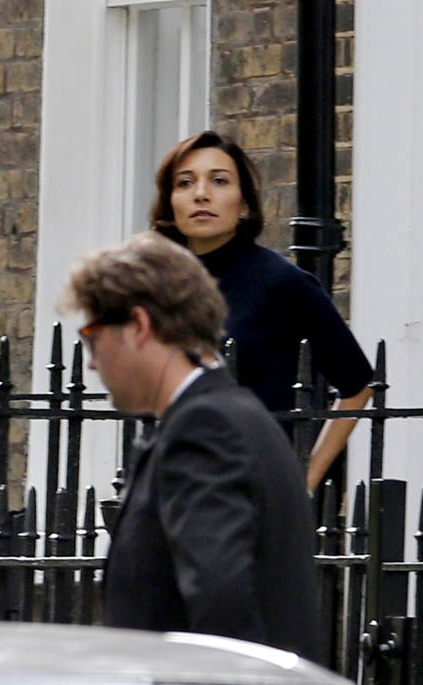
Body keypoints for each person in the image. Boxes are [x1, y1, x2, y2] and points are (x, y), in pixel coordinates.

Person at [64, 233, 319, 661]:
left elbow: (222, 610)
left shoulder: (204, 428)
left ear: (138, 326)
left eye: (93, 336)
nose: (91, 361)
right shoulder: (233, 416)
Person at [150, 130, 373, 492]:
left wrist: (304, 480)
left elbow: (358, 385)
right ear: (170, 202)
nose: (201, 193)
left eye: (219, 181)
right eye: (185, 182)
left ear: (243, 205)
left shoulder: (282, 282)